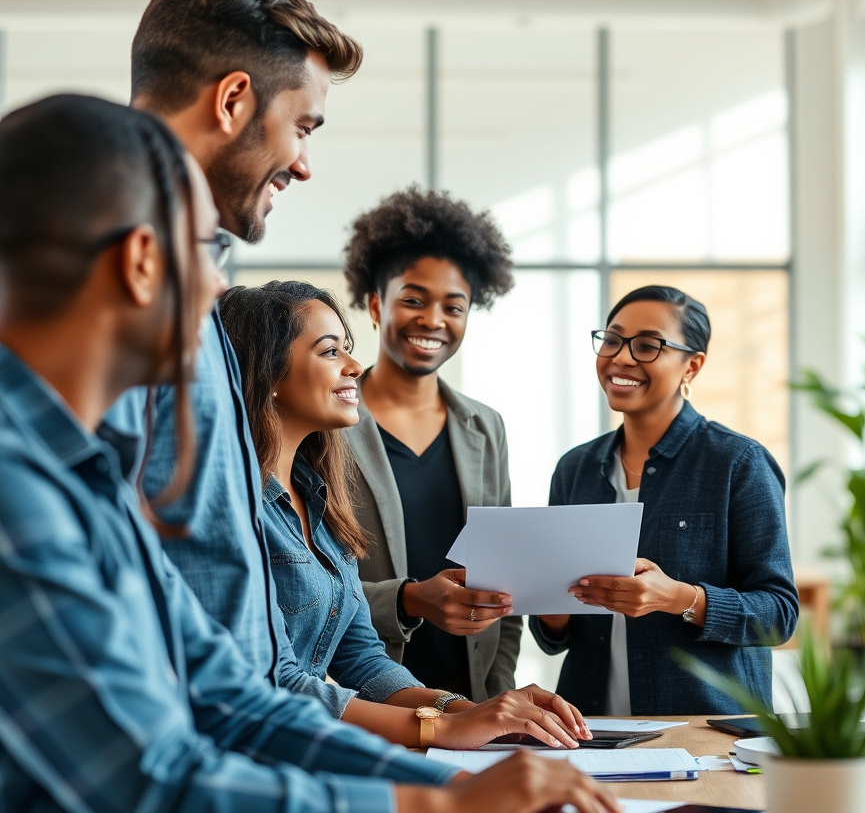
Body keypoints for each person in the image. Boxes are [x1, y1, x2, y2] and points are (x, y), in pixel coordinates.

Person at [0, 94, 620, 813]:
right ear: (143, 261)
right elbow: (150, 780)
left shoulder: (94, 479)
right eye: (210, 249)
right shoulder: (22, 490)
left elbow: (235, 699)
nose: (219, 287)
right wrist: (440, 802)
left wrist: (453, 779)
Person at [105, 0, 373, 716]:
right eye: (302, 127)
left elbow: (232, 664)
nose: (305, 165)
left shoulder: (201, 297)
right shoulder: (122, 300)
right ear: (232, 100)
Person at [219, 279, 590, 749]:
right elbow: (278, 681)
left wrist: (480, 711)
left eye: (347, 349)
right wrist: (447, 728)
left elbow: (363, 660)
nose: (355, 366)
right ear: (266, 371)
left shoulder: (321, 501)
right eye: (331, 351)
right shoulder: (234, 507)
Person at [530, 285, 799, 716]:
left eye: (647, 346)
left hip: (704, 730)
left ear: (692, 366)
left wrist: (678, 597)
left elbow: (778, 614)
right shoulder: (574, 468)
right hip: (589, 728)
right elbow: (554, 634)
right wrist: (543, 597)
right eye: (613, 340)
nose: (621, 357)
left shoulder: (738, 463)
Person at [342, 187, 520, 702]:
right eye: (413, 299)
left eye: (454, 306)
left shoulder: (486, 427)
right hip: (368, 700)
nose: (433, 320)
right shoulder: (327, 427)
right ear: (376, 305)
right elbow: (305, 584)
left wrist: (496, 695)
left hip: (474, 702)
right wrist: (409, 601)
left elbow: (505, 575)